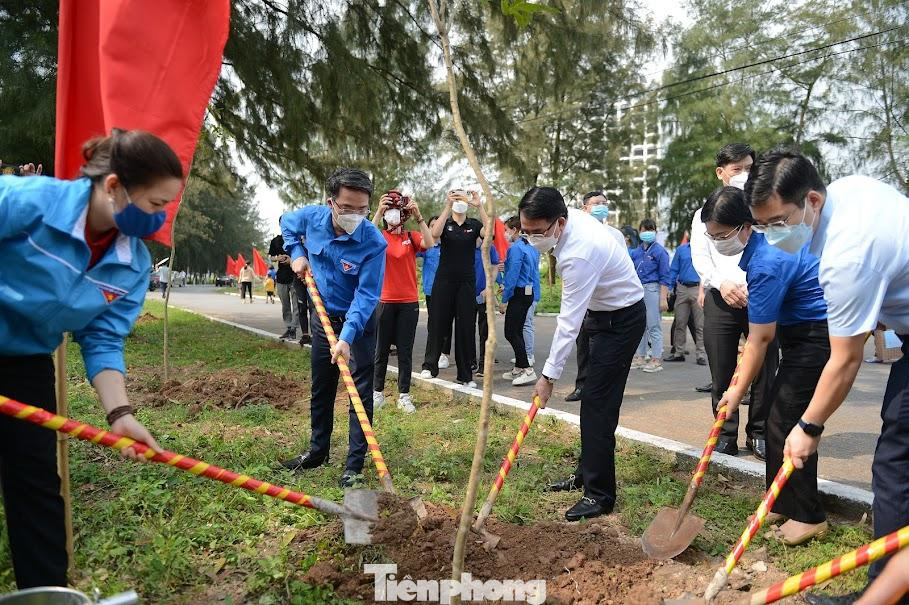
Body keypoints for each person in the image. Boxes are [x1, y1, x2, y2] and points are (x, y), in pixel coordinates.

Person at [0, 129, 179, 588]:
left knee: (36, 487)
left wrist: (119, 413)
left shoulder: (133, 265)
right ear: (115, 185)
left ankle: (46, 595)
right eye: (156, 205)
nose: (160, 219)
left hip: (26, 361)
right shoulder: (25, 200)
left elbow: (102, 337)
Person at [744, 150, 909, 593]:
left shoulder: (847, 257)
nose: (771, 235)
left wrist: (809, 426)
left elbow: (845, 360)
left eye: (779, 222)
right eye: (761, 226)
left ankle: (886, 592)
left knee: (896, 468)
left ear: (812, 200)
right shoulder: (850, 190)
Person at [705, 186, 829, 546]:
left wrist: (734, 392)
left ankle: (808, 515)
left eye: (721, 235)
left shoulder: (768, 262)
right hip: (797, 334)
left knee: (789, 420)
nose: (717, 242)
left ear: (746, 227)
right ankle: (778, 499)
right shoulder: (761, 249)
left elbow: (759, 340)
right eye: (710, 236)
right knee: (777, 415)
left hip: (816, 335)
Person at [520, 187, 645, 522]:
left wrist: (547, 378)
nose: (532, 238)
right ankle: (588, 469)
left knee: (597, 405)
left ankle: (599, 494)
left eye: (538, 232)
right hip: (600, 312)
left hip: (621, 320)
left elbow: (567, 323)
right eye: (526, 231)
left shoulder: (578, 253)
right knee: (593, 396)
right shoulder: (571, 218)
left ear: (559, 222)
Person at [278, 168, 386, 488]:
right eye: (347, 207)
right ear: (331, 203)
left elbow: (366, 296)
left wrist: (347, 338)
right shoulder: (312, 218)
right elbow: (286, 221)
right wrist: (297, 253)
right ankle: (317, 450)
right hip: (322, 316)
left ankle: (353, 466)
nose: (355, 215)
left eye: (362, 209)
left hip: (359, 325)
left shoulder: (373, 242)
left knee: (359, 394)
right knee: (321, 386)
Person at [690, 142, 778, 458]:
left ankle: (759, 432)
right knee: (722, 370)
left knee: (766, 369)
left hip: (760, 298)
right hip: (720, 296)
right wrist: (720, 283)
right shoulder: (705, 214)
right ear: (721, 173)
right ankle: (725, 433)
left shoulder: (764, 211)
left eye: (749, 168)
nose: (744, 174)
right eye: (737, 169)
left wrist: (755, 289)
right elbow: (699, 258)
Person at [371, 192, 434, 413]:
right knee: (380, 350)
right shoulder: (379, 237)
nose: (392, 215)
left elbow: (430, 242)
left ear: (403, 213)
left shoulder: (411, 236)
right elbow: (365, 237)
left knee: (405, 351)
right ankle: (377, 393)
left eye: (395, 210)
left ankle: (404, 396)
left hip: (408, 302)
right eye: (388, 211)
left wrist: (419, 217)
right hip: (385, 301)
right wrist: (379, 211)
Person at [420, 189, 488, 386]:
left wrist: (480, 205)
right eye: (456, 197)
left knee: (466, 327)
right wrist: (448, 205)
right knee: (438, 322)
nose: (460, 201)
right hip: (444, 280)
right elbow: (434, 234)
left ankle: (465, 375)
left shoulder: (474, 225)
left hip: (466, 283)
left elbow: (489, 232)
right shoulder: (446, 223)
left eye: (462, 198)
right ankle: (429, 366)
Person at [566, 192, 628, 402]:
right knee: (583, 344)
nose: (601, 207)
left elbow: (624, 267)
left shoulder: (615, 235)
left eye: (604, 203)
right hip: (585, 299)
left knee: (606, 349)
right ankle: (582, 386)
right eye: (596, 204)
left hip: (609, 300)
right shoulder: (577, 234)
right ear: (584, 208)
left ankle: (604, 390)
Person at [499, 216, 537, 385]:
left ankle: (528, 370)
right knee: (517, 331)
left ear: (514, 230)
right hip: (528, 292)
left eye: (506, 230)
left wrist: (504, 299)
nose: (504, 234)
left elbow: (513, 275)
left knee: (511, 332)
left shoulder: (516, 249)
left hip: (518, 293)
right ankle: (519, 368)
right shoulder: (530, 246)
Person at [630, 218, 671, 373]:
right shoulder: (636, 252)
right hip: (638, 290)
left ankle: (656, 359)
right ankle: (640, 356)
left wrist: (663, 298)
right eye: (644, 229)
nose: (647, 232)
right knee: (640, 325)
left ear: (655, 231)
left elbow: (665, 276)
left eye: (650, 229)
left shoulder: (660, 251)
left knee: (654, 325)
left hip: (653, 289)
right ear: (639, 232)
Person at [417, 216, 452, 370]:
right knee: (433, 324)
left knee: (446, 323)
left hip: (447, 290)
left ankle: (444, 354)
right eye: (431, 225)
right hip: (431, 290)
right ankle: (433, 354)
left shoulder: (449, 246)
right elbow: (413, 250)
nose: (434, 228)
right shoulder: (427, 248)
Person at [665, 239, 707, 365]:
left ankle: (701, 355)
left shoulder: (705, 249)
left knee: (700, 325)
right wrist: (670, 287)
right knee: (680, 322)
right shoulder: (681, 249)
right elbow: (674, 270)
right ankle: (679, 353)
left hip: (698, 288)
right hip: (682, 288)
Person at [269, 225, 311, 344]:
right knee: (285, 304)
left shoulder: (296, 239)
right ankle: (288, 327)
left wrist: (291, 259)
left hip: (295, 276)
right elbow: (270, 257)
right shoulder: (276, 240)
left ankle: (294, 329)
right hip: (281, 277)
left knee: (297, 305)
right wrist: (278, 258)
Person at [471, 236, 499, 380]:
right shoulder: (467, 246)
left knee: (484, 331)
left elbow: (495, 267)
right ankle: (470, 362)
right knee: (467, 329)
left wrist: (489, 286)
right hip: (467, 294)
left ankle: (483, 365)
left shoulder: (489, 248)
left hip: (484, 295)